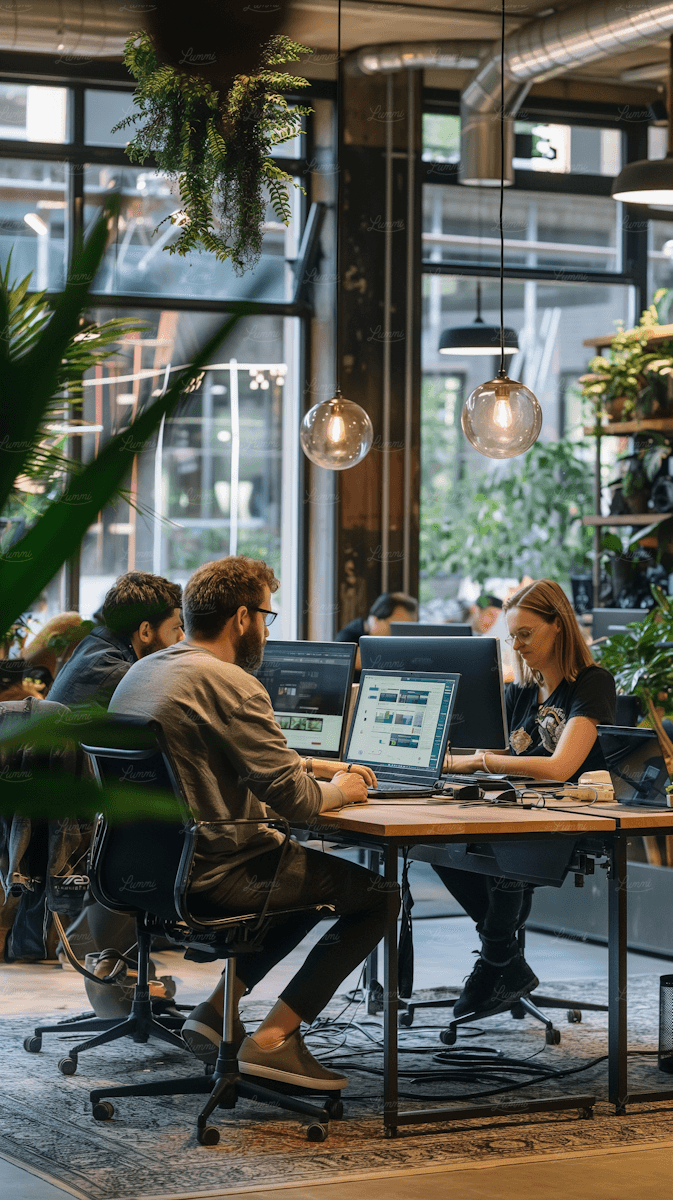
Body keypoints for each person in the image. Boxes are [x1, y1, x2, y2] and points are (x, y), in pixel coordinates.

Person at [108, 555, 398, 1092]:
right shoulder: (230, 682)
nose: (267, 628)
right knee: (380, 895)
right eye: (268, 615)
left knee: (303, 882)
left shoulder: (145, 670)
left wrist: (312, 765)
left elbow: (214, 756)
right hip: (218, 873)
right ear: (242, 618)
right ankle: (275, 1041)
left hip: (142, 871)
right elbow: (299, 802)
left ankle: (215, 1012)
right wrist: (346, 787)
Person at [437, 579, 616, 1017]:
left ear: (558, 626)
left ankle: (497, 961)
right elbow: (496, 750)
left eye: (525, 634)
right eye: (511, 636)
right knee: (436, 842)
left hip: (563, 819)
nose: (516, 645)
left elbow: (558, 767)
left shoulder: (591, 684)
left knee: (504, 850)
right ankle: (505, 960)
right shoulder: (521, 691)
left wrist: (481, 763)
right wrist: (459, 760)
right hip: (512, 810)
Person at [48, 572, 184, 709]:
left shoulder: (93, 644)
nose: (181, 637)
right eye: (176, 628)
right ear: (145, 632)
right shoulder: (120, 675)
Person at [335, 591, 418, 672]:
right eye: (396, 628)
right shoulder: (350, 636)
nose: (400, 636)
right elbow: (353, 659)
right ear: (376, 619)